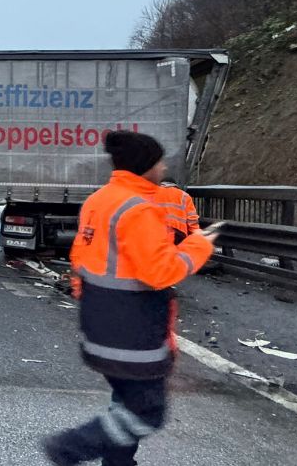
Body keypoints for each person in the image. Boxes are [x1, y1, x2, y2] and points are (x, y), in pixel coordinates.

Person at [42, 131, 217, 466]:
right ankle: (69, 447)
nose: (164, 167)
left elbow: (82, 262)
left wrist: (95, 307)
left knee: (124, 405)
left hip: (100, 325)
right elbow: (161, 273)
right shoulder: (139, 209)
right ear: (145, 166)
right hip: (133, 334)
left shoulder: (99, 201)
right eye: (159, 161)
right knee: (147, 414)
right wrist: (200, 245)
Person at [154, 177, 200, 244]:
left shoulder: (153, 193)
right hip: (179, 235)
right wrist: (196, 233)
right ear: (175, 185)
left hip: (158, 233)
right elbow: (192, 218)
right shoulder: (184, 196)